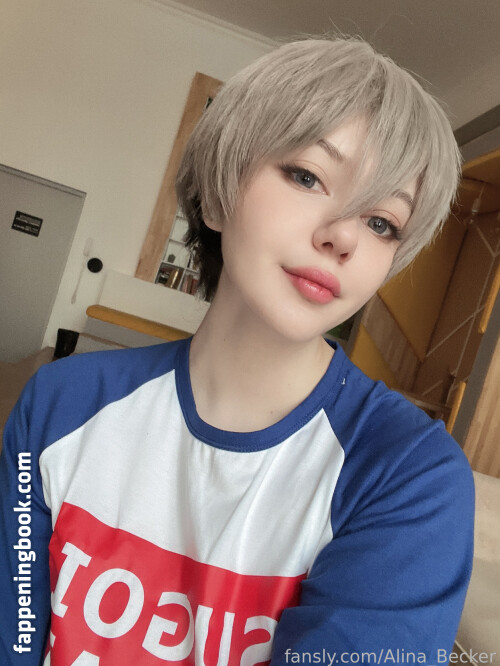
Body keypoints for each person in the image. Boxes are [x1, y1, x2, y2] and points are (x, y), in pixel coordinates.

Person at [0, 36, 474, 665]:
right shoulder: (62, 403)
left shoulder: (409, 475)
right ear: (220, 194)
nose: (343, 237)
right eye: (307, 176)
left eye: (382, 222)